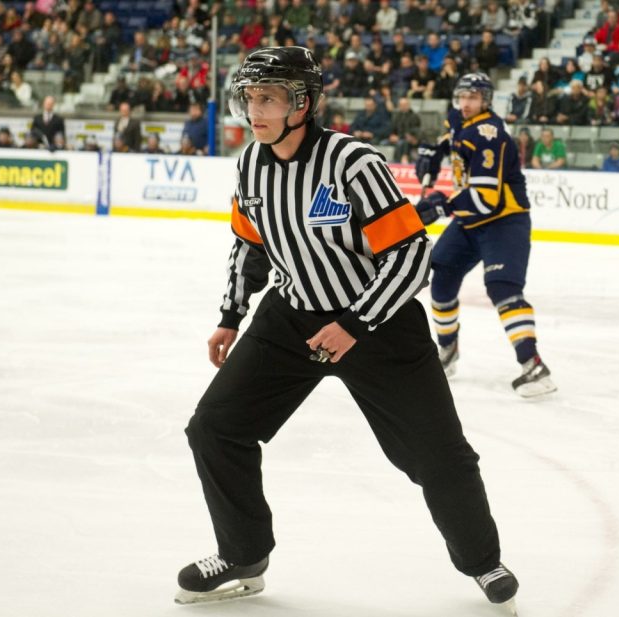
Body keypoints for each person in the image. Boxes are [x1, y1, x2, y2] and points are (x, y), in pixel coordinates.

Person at [176, 47, 520, 613]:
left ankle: (483, 563)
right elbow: (248, 244)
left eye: (268, 97)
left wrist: (355, 323)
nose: (254, 109)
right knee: (215, 428)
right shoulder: (250, 164)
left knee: (439, 457)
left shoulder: (353, 163)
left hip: (378, 323)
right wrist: (230, 315)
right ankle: (243, 554)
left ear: (302, 103)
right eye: (250, 96)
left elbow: (412, 255)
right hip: (290, 318)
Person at [415, 73, 556, 397]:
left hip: (503, 221)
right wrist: (433, 154)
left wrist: (441, 207)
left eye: (474, 97)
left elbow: (485, 198)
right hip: (469, 221)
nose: (466, 103)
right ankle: (447, 351)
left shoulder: (490, 134)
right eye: (462, 96)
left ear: (486, 101)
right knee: (441, 277)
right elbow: (449, 140)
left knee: (502, 287)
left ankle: (532, 364)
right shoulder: (460, 121)